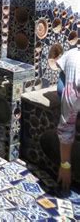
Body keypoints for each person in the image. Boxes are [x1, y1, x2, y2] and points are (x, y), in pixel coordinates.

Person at [55, 45, 80, 192]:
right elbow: (66, 129)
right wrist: (65, 165)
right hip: (69, 66)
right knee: (61, 91)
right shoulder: (73, 91)